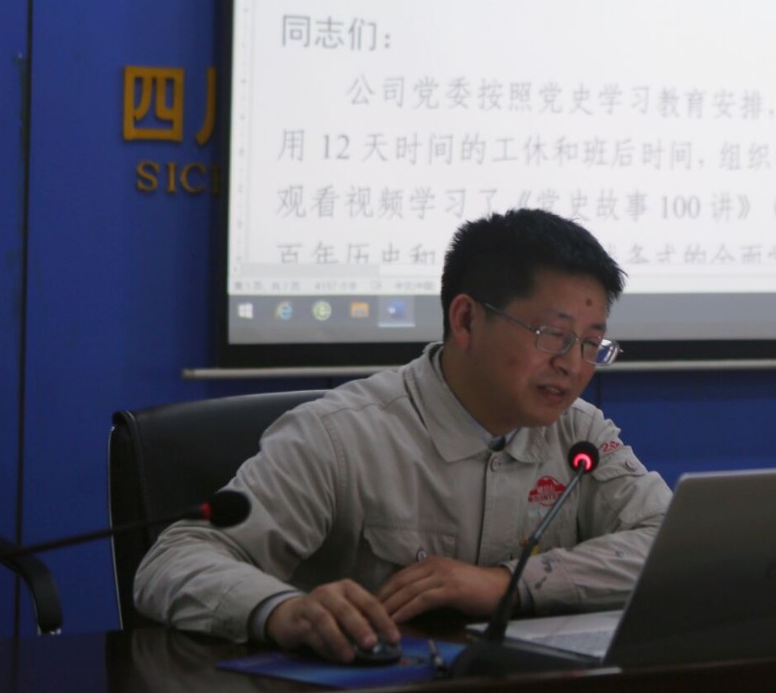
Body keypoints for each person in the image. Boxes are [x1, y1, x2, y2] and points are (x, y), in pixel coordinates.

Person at [133, 208, 671, 662]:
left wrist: (509, 584)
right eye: (553, 335)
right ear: (466, 320)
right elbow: (174, 562)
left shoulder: (579, 434)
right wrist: (280, 611)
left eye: (591, 344)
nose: (573, 366)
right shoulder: (340, 435)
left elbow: (668, 545)